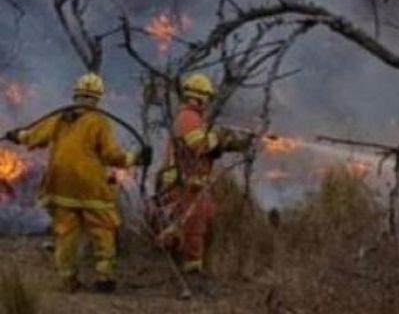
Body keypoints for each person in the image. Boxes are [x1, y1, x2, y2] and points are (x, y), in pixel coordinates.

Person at [3, 73, 152, 292]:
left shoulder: (62, 116)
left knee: (66, 231)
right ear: (98, 97)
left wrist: (18, 136)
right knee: (102, 227)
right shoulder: (99, 121)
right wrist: (136, 159)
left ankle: (68, 279)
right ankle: (104, 276)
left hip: (59, 183)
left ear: (76, 94)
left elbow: (36, 135)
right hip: (90, 185)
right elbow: (112, 156)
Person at [156, 73, 251, 281]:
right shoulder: (189, 117)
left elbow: (206, 148)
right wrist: (219, 137)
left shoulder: (193, 117)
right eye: (207, 98)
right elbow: (199, 145)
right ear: (201, 97)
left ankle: (190, 264)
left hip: (193, 182)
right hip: (185, 182)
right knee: (193, 226)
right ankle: (191, 271)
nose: (208, 102)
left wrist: (231, 144)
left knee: (201, 219)